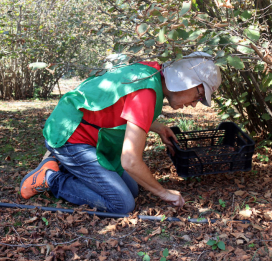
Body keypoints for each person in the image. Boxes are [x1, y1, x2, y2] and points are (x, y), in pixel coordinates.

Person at [20, 51, 222, 214]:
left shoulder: (151, 72)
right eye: (198, 94)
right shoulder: (147, 93)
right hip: (69, 136)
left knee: (133, 189)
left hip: (89, 136)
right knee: (122, 204)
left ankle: (66, 167)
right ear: (184, 81)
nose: (195, 104)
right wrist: (164, 193)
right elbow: (130, 161)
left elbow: (124, 105)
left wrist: (159, 127)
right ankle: (51, 178)